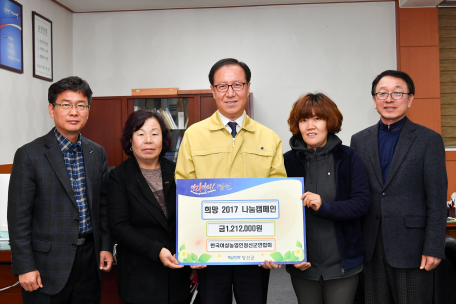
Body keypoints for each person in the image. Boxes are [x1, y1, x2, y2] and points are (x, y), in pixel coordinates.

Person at [175, 58, 287, 304]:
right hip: (210, 249)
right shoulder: (194, 135)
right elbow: (184, 190)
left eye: (237, 84)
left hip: (256, 249)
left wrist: (275, 246)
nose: (230, 93)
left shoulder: (269, 138)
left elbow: (278, 195)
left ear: (247, 87)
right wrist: (192, 248)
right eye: (222, 86)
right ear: (213, 91)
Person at [7, 76, 113, 304]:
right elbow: (18, 219)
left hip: (89, 261)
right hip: (46, 266)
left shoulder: (97, 153)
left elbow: (103, 206)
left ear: (88, 110)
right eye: (66, 104)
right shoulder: (29, 155)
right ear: (51, 109)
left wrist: (105, 246)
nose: (73, 112)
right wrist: (25, 266)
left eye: (80, 105)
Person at [350, 70, 448, 304]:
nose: (389, 99)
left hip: (412, 248)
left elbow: (436, 200)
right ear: (374, 100)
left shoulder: (429, 140)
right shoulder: (359, 140)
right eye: (382, 93)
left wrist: (434, 247)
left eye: (397, 93)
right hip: (371, 246)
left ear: (410, 99)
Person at [283, 93, 370, 304]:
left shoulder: (349, 157)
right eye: (304, 120)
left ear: (329, 122)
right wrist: (290, 255)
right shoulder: (286, 162)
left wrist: (325, 207)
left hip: (343, 264)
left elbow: (361, 204)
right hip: (303, 264)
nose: (310, 126)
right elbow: (279, 214)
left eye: (317, 118)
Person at [107, 110, 191, 304]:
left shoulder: (178, 172)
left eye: (155, 133)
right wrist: (157, 250)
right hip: (140, 275)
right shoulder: (119, 177)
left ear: (163, 139)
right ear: (130, 140)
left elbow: (188, 217)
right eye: (140, 134)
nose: (148, 140)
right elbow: (120, 227)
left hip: (177, 271)